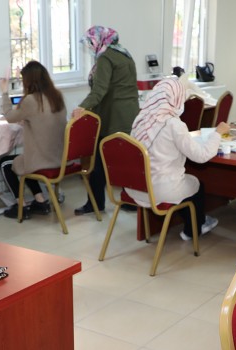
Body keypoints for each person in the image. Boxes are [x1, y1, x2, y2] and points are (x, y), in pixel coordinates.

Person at [127, 78, 227, 241]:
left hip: (135, 187)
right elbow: (201, 156)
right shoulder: (173, 124)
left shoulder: (140, 120)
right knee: (196, 184)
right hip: (159, 190)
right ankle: (193, 229)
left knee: (184, 183)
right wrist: (218, 133)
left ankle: (191, 223)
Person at [71, 25, 140, 216]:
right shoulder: (124, 53)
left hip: (113, 117)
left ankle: (95, 204)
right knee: (128, 160)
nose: (90, 46)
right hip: (130, 115)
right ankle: (132, 200)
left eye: (90, 42)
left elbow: (99, 90)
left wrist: (82, 107)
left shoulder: (105, 58)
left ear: (99, 40)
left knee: (99, 163)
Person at [0, 61, 68, 219]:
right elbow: (44, 120)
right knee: (25, 160)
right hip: (59, 159)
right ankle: (40, 200)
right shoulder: (57, 96)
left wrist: (4, 92)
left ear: (29, 81)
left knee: (5, 163)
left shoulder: (30, 100)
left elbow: (9, 116)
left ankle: (21, 206)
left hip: (42, 161)